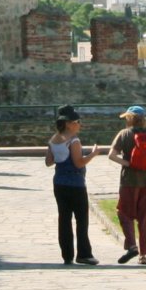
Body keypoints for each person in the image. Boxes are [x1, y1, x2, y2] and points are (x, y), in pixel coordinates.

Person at [108, 105, 146, 263]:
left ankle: (132, 245)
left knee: (124, 212)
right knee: (145, 217)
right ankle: (143, 255)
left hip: (129, 180)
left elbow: (111, 155)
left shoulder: (124, 134)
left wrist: (128, 163)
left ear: (129, 118)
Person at [48, 105, 100, 265]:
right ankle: (84, 254)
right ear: (69, 123)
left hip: (59, 183)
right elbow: (79, 163)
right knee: (81, 219)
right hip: (76, 184)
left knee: (64, 219)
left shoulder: (53, 139)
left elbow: (48, 162)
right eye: (77, 121)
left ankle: (67, 255)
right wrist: (93, 154)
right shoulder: (74, 140)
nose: (79, 124)